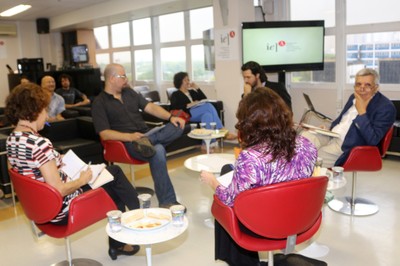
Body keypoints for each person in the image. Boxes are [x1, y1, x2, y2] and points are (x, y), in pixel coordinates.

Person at [5, 83, 141, 261]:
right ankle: (139, 218)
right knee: (114, 178)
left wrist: (55, 159)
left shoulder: (13, 139)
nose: (46, 115)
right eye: (45, 110)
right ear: (34, 110)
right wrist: (83, 179)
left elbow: (32, 169)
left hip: (40, 209)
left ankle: (123, 238)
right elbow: (59, 190)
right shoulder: (39, 143)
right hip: (62, 209)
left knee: (112, 178)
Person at [200, 88, 317, 266]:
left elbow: (230, 199)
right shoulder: (307, 144)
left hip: (263, 225)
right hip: (300, 218)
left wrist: (212, 182)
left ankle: (241, 261)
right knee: (227, 169)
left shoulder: (251, 157)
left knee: (220, 200)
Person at [91, 63, 186, 209]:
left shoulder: (129, 93)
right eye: (122, 76)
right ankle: (168, 202)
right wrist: (129, 137)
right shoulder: (99, 102)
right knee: (159, 150)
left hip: (147, 136)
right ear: (111, 79)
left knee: (177, 126)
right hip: (128, 143)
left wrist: (170, 117)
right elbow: (104, 134)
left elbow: (151, 107)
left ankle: (148, 141)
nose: (126, 79)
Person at [301, 68, 396, 167]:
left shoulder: (385, 107)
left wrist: (362, 112)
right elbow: (342, 121)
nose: (362, 88)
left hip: (347, 145)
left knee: (312, 159)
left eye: (367, 85)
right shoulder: (353, 97)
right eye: (358, 84)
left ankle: (302, 178)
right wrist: (328, 129)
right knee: (304, 138)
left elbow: (373, 140)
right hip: (332, 135)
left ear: (376, 87)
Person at [169, 71, 236, 140]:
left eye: (188, 79)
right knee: (208, 106)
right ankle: (221, 129)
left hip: (196, 112)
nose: (188, 81)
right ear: (180, 81)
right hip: (187, 114)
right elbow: (174, 107)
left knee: (207, 116)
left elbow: (204, 99)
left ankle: (207, 144)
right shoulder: (175, 94)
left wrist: (197, 88)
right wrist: (188, 104)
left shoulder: (191, 92)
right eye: (185, 80)